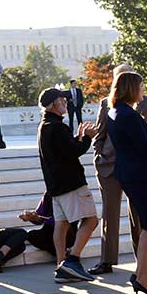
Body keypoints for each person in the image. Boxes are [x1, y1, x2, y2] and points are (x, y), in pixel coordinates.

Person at [88, 63, 147, 277]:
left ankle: (142, 261)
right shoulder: (107, 104)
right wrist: (99, 156)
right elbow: (100, 133)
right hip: (109, 166)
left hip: (139, 167)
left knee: (140, 216)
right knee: (110, 213)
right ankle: (107, 260)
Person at [108, 71, 147, 294]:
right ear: (132, 88)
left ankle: (142, 275)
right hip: (143, 175)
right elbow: (144, 146)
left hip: (133, 174)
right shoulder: (129, 115)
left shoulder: (115, 112)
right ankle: (142, 277)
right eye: (141, 86)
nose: (143, 90)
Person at [37, 87, 100, 283]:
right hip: (70, 183)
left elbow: (63, 150)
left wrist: (79, 138)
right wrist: (88, 137)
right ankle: (72, 261)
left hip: (56, 186)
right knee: (91, 220)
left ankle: (61, 265)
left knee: (62, 224)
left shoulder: (46, 125)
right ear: (54, 104)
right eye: (62, 100)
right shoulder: (57, 127)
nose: (65, 102)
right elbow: (72, 152)